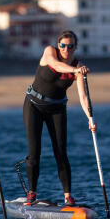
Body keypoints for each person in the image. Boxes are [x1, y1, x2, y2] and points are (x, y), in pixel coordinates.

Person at [23, 30, 96, 207]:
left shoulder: (78, 66)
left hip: (57, 108)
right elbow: (56, 65)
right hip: (34, 105)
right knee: (35, 152)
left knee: (61, 152)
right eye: (63, 45)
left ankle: (68, 195)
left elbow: (83, 97)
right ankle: (32, 193)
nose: (66, 49)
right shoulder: (50, 52)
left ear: (75, 48)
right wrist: (75, 70)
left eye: (70, 46)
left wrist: (90, 118)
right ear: (58, 45)